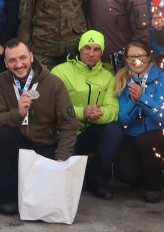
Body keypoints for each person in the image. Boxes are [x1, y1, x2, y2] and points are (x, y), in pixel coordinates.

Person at [0, 39, 80, 215]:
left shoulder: (54, 83)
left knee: (46, 202)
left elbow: (69, 125)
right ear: (6, 63)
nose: (19, 64)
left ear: (31, 57)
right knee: (3, 134)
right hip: (17, 145)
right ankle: (9, 198)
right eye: (12, 60)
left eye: (23, 58)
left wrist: (62, 157)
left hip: (44, 144)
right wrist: (18, 113)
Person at [51, 31, 122, 199]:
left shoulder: (107, 76)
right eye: (87, 48)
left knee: (113, 131)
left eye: (97, 49)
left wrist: (100, 113)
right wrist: (82, 112)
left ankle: (99, 182)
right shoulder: (60, 72)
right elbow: (51, 108)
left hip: (90, 132)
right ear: (80, 48)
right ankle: (81, 179)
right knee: (67, 184)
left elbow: (113, 110)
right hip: (66, 133)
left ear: (102, 52)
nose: (91, 54)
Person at [113, 40, 164, 203]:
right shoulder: (122, 80)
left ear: (149, 57)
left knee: (146, 141)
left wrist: (143, 99)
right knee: (124, 173)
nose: (136, 60)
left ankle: (154, 187)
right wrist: (134, 102)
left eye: (141, 55)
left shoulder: (162, 78)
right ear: (126, 60)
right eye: (132, 56)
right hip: (133, 134)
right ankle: (147, 174)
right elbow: (122, 121)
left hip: (160, 135)